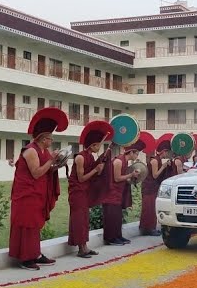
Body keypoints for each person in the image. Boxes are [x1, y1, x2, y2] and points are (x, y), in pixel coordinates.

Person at [10, 108, 67, 270]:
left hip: (38, 193)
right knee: (27, 225)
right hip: (26, 194)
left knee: (35, 225)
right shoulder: (30, 151)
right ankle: (25, 259)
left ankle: (35, 253)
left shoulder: (44, 151)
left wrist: (59, 164)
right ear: (43, 139)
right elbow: (36, 173)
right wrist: (52, 161)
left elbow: (47, 171)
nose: (51, 141)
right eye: (50, 138)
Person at [68, 121, 112, 259]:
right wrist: (95, 169)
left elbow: (94, 175)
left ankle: (85, 246)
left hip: (84, 192)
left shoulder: (91, 156)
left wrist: (101, 163)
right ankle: (81, 249)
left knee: (84, 219)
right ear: (93, 144)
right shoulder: (80, 157)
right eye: (98, 145)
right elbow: (81, 178)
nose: (99, 147)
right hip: (77, 192)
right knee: (79, 220)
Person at [101, 134, 136, 247]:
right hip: (110, 193)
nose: (136, 155)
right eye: (136, 153)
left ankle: (118, 236)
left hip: (118, 194)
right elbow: (117, 178)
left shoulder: (126, 162)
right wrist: (130, 175)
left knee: (117, 218)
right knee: (111, 217)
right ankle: (110, 239)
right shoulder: (119, 161)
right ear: (130, 152)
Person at [140, 134, 177, 236]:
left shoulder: (159, 160)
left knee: (153, 208)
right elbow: (155, 175)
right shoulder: (155, 160)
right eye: (167, 152)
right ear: (163, 151)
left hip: (154, 187)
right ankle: (147, 229)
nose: (167, 154)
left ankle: (151, 227)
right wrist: (164, 166)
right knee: (148, 208)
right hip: (149, 187)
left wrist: (167, 166)